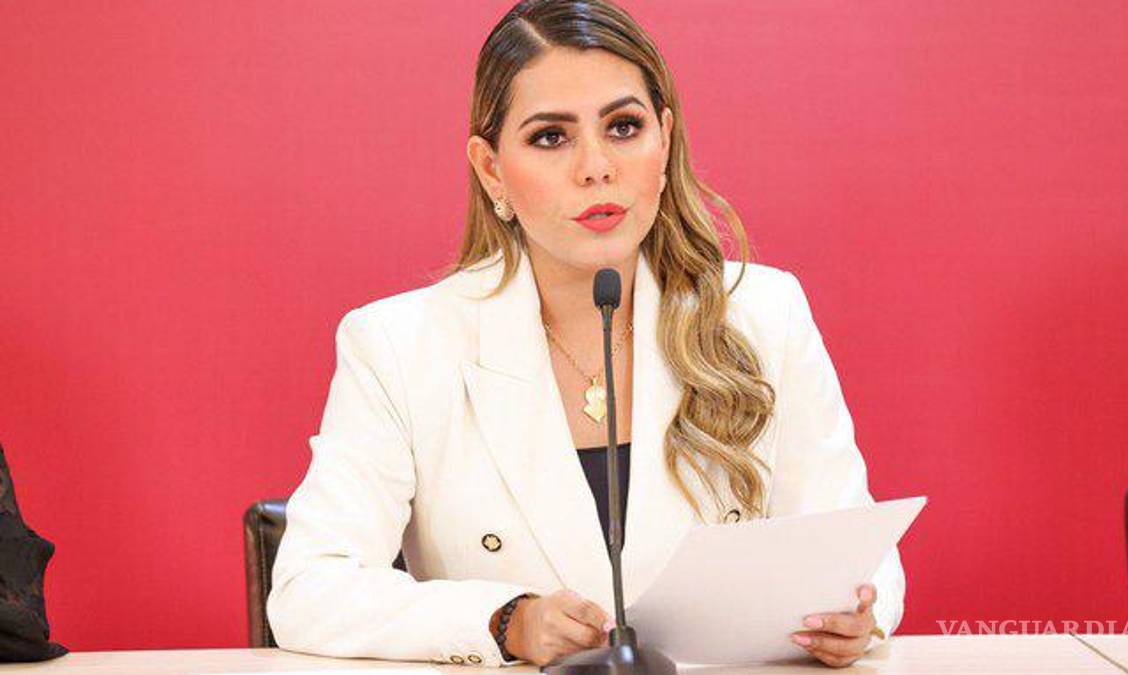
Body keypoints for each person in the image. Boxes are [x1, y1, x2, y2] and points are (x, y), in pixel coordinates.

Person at [267, 0, 905, 668]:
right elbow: (310, 590)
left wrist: (857, 613)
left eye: (624, 127)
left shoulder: (764, 312)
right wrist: (505, 621)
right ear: (491, 168)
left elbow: (858, 553)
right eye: (551, 137)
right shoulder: (399, 345)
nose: (596, 167)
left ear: (664, 140)